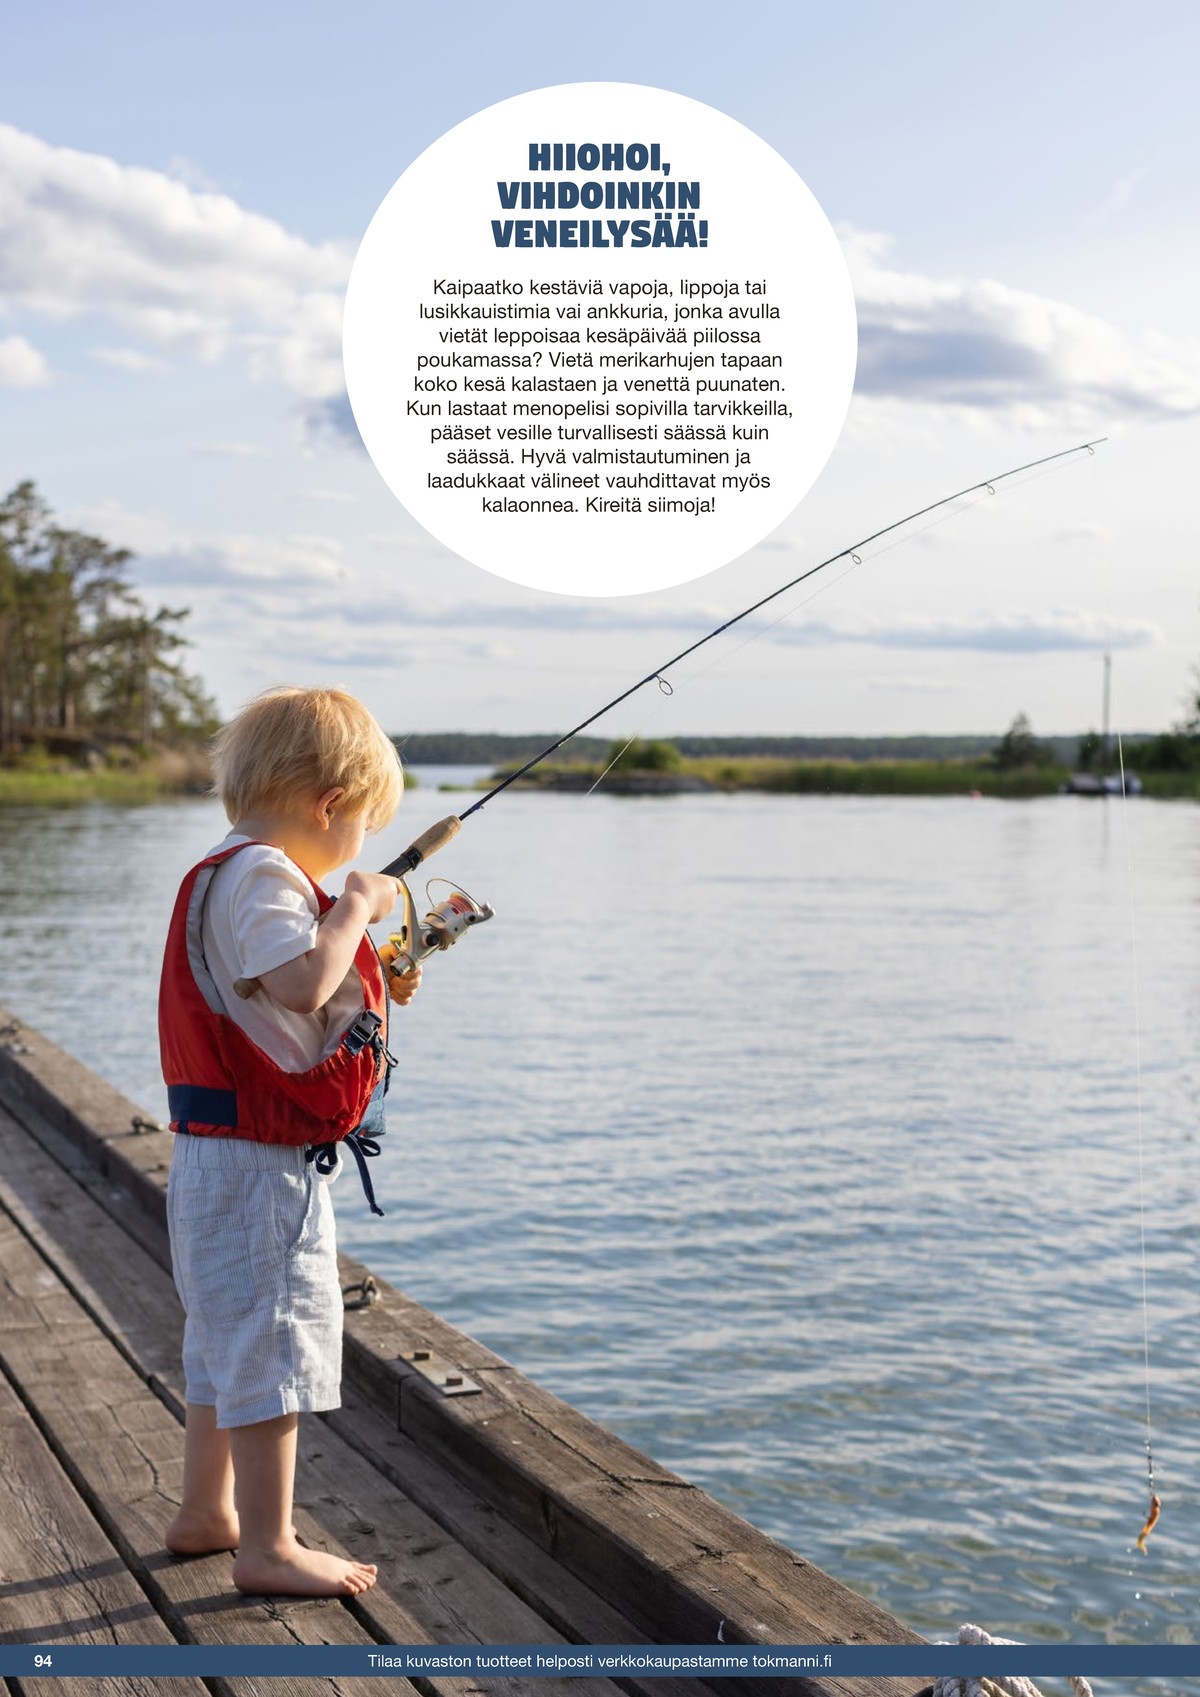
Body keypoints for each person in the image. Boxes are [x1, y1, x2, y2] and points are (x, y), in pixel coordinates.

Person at [157, 686, 418, 1597]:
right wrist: (356, 906)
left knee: (222, 1341)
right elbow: (304, 984)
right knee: (271, 1346)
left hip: (217, 1154)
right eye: (364, 826)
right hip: (260, 1171)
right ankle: (268, 1547)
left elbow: (289, 1002)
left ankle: (207, 1511)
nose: (361, 847)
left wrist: (368, 965)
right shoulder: (265, 875)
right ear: (329, 804)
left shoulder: (227, 871)